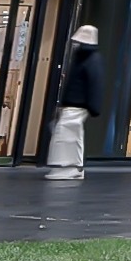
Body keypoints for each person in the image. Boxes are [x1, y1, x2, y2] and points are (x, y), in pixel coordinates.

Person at [44, 24, 103, 181]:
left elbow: (94, 84)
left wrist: (93, 106)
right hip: (75, 105)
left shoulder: (88, 59)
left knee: (68, 135)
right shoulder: (84, 58)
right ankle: (69, 167)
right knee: (68, 136)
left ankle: (70, 167)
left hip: (77, 105)